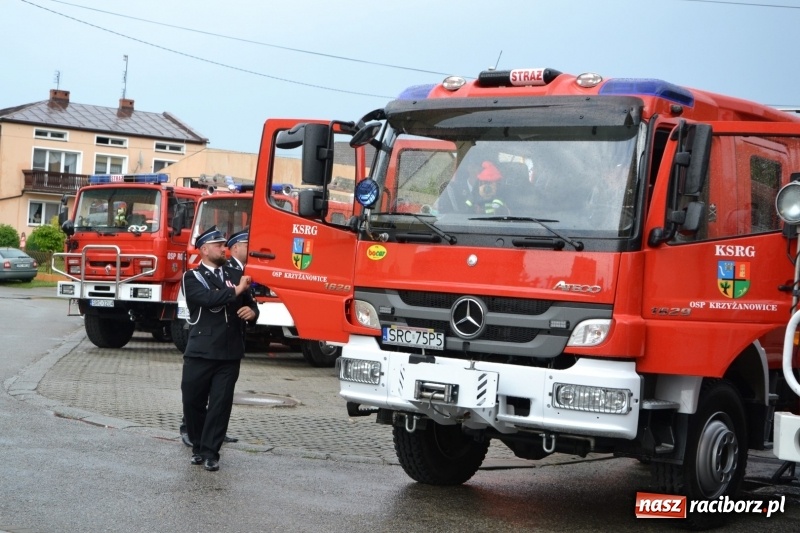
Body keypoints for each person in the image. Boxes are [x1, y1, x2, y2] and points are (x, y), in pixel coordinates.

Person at [181, 225, 258, 471]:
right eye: (218, 245)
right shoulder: (193, 277)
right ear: (204, 250)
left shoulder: (237, 273)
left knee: (220, 405)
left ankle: (210, 452)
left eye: (224, 244)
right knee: (192, 400)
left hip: (229, 351)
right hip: (200, 350)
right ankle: (197, 446)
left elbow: (251, 304)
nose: (223, 248)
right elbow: (206, 299)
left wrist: (252, 313)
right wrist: (236, 290)